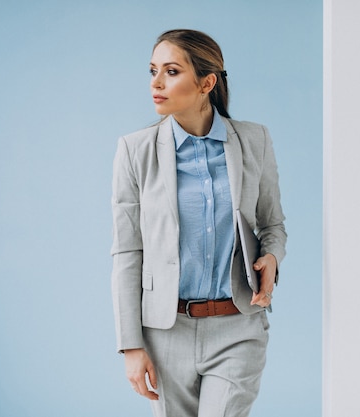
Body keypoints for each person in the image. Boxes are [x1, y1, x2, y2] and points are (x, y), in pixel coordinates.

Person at [110, 29, 287, 417]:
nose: (156, 83)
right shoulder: (134, 151)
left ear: (207, 82)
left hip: (238, 325)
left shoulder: (254, 140)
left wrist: (271, 257)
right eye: (153, 70)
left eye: (171, 71)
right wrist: (131, 345)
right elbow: (127, 252)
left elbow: (272, 222)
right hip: (165, 332)